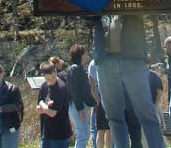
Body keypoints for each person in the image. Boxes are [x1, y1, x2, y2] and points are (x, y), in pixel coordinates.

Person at [93, 15, 165, 148]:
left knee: (146, 113)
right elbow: (85, 13)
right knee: (114, 118)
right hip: (105, 60)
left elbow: (150, 7)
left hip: (133, 59)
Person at [0, 62, 24, 148]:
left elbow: (19, 106)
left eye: (0, 72)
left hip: (9, 128)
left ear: (3, 74)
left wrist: (2, 109)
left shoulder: (12, 89)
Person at [36, 59, 72, 148]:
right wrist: (46, 108)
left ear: (55, 71)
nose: (51, 80)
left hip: (60, 134)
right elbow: (38, 109)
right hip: (46, 133)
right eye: (48, 79)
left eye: (53, 77)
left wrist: (43, 105)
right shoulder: (44, 86)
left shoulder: (61, 88)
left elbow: (53, 113)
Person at [68, 44, 96, 148]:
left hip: (78, 105)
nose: (87, 56)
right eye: (85, 54)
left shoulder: (78, 68)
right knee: (82, 134)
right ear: (80, 55)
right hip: (77, 106)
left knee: (84, 133)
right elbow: (75, 91)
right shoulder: (75, 69)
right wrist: (80, 108)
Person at [88, 59, 112, 148]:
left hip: (105, 97)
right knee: (104, 130)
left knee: (105, 130)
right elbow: (92, 83)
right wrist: (97, 100)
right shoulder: (94, 63)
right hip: (103, 97)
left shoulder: (93, 63)